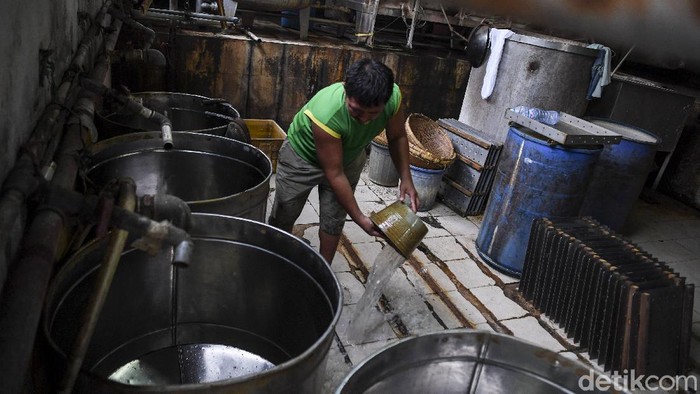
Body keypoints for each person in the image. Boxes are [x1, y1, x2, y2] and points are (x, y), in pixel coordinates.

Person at [268, 58, 419, 263]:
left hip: (349, 156)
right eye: (356, 111)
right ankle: (273, 258)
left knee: (333, 219)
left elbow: (397, 137)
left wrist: (406, 178)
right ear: (345, 89)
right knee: (285, 213)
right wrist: (361, 219)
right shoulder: (327, 112)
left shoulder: (392, 99)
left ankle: (324, 270)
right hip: (302, 158)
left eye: (373, 114)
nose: (364, 120)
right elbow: (334, 173)